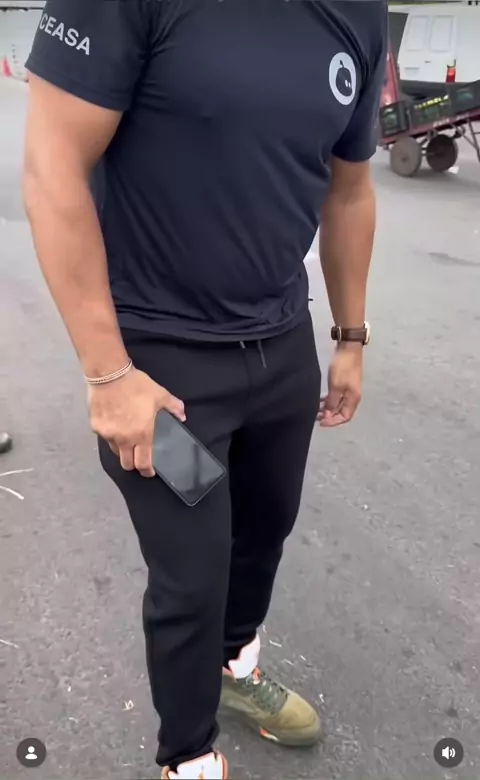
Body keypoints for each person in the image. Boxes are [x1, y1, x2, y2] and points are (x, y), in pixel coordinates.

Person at [22, 0, 387, 777]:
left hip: (281, 354)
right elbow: (53, 169)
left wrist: (350, 339)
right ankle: (187, 753)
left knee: (265, 529)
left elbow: (349, 188)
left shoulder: (357, 11)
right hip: (164, 375)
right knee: (194, 570)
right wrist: (110, 375)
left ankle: (232, 666)